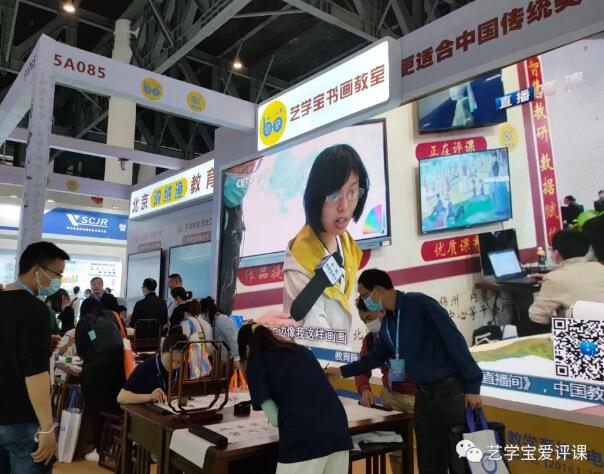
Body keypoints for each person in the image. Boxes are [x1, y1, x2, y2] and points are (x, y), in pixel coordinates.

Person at [326, 268, 483, 474]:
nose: (364, 300)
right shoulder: (387, 323)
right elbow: (375, 357)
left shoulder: (419, 304)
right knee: (428, 459)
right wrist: (341, 371)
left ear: (378, 290)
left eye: (364, 295)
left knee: (459, 457)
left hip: (449, 392)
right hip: (423, 396)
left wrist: (473, 385)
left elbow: (455, 342)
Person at [239, 323, 352, 473]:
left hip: (303, 439)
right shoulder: (300, 350)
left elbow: (274, 419)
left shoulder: (256, 362)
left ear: (246, 349)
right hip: (338, 432)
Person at [283, 144, 367, 341]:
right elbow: (318, 342)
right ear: (316, 198)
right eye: (334, 195)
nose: (344, 206)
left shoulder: (345, 243)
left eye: (352, 193)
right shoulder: (300, 264)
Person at [0, 241, 70, 472]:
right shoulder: (35, 310)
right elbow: (35, 373)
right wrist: (47, 427)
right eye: (57, 274)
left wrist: (42, 344)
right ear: (37, 270)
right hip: (21, 419)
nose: (58, 281)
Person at [354, 297, 415, 474]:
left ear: (382, 311)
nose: (368, 324)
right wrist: (364, 389)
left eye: (369, 318)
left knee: (430, 451)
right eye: (364, 320)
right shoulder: (371, 339)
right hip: (391, 399)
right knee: (396, 452)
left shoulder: (407, 329)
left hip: (420, 398)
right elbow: (361, 367)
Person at [75, 298, 125, 461]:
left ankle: (99, 449)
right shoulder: (112, 317)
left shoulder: (84, 322)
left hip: (95, 372)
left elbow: (81, 350)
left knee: (96, 409)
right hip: (118, 369)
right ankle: (114, 445)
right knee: (114, 407)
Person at [529, 230, 604, 324]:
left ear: (556, 253)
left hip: (578, 331)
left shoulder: (554, 279)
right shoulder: (600, 267)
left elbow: (538, 317)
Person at [117, 328, 188, 405]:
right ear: (162, 350)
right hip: (147, 410)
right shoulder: (145, 368)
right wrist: (150, 396)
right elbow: (121, 397)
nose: (174, 366)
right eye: (170, 360)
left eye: (179, 362)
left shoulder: (184, 368)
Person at [200, 297, 240, 371]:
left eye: (202, 313)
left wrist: (237, 358)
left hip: (231, 358)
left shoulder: (221, 319)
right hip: (226, 358)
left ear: (207, 311)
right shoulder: (214, 321)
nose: (202, 316)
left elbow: (233, 338)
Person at [179, 300, 212, 378]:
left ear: (186, 312)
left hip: (191, 358)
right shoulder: (201, 322)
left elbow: (183, 339)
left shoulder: (186, 322)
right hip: (202, 355)